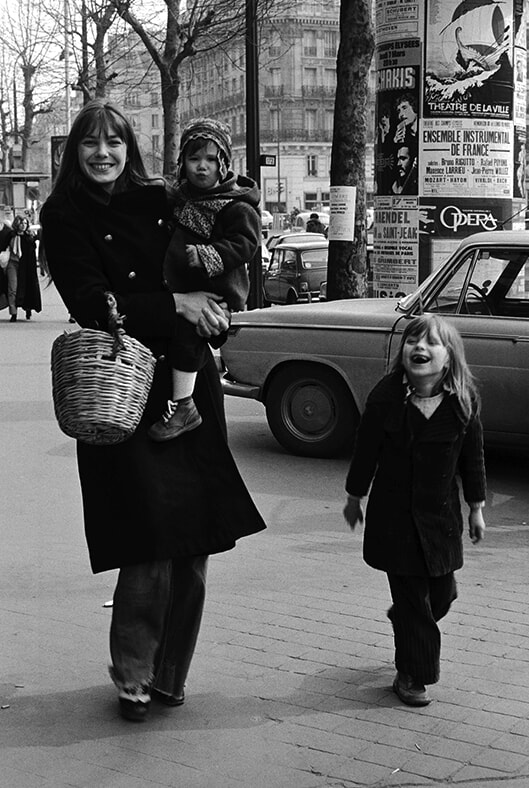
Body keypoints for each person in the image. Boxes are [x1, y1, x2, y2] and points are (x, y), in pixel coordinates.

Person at [40, 99, 266, 723]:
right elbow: (90, 300)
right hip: (122, 382)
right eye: (91, 143)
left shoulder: (158, 196)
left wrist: (214, 305)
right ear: (74, 151)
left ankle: (170, 674)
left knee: (193, 538)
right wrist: (177, 306)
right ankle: (134, 673)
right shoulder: (63, 212)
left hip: (185, 381)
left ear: (130, 148)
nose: (103, 153)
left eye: (115, 142)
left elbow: (222, 233)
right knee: (146, 537)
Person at [343, 314, 486, 707]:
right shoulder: (385, 398)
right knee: (414, 603)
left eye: (431, 342)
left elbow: (472, 459)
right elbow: (365, 452)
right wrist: (354, 498)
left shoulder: (463, 402)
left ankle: (407, 621)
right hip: (395, 521)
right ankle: (412, 675)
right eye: (412, 341)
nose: (419, 347)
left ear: (449, 357)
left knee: (442, 595)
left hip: (440, 520)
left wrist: (476, 509)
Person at [148, 117, 260, 441]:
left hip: (215, 292)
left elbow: (246, 243)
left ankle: (184, 405)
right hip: (182, 289)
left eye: (211, 159)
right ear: (182, 162)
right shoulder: (179, 198)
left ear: (223, 164)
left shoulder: (235, 205)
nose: (202, 166)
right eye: (194, 158)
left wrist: (209, 254)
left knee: (188, 338)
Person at [1, 214, 42, 322]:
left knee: (26, 286)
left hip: (26, 266)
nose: (23, 225)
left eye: (25, 223)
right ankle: (13, 313)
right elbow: (3, 246)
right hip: (12, 264)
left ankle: (28, 309)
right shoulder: (10, 235)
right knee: (12, 288)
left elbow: (32, 253)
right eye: (21, 223)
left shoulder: (29, 237)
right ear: (16, 224)